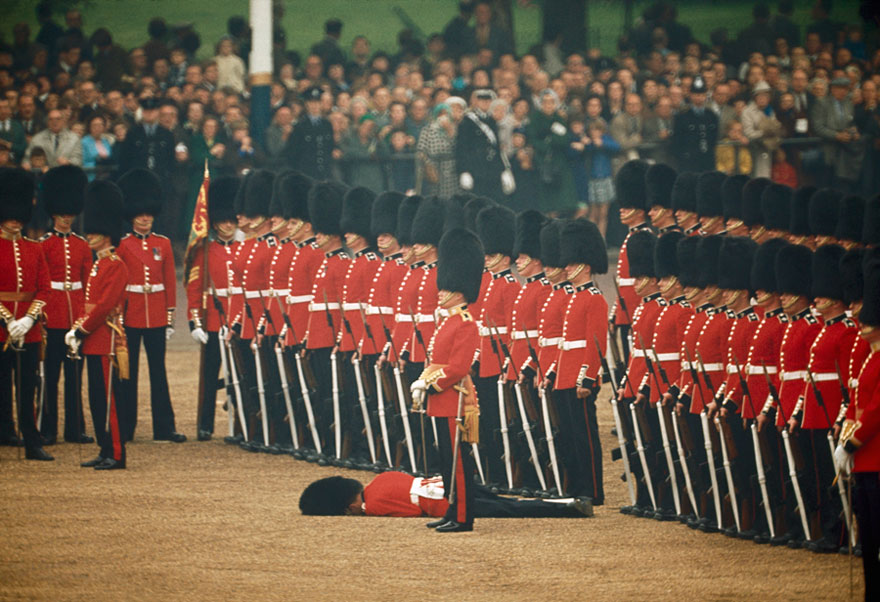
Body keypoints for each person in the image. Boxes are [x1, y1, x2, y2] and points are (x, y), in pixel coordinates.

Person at [410, 226, 484, 532]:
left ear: (459, 289)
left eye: (445, 288)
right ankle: (452, 510)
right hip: (441, 400)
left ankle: (464, 517)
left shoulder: (466, 324)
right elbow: (436, 361)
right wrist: (422, 382)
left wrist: (428, 383)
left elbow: (457, 367)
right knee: (446, 462)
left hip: (454, 400)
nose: (439, 292)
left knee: (459, 464)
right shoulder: (448, 322)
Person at [116, 168, 185, 443]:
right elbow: (119, 284)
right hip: (131, 314)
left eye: (148, 213)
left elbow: (169, 282)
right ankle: (126, 426)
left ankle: (164, 428)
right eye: (140, 213)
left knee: (159, 373)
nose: (145, 218)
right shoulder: (122, 245)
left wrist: (169, 318)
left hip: (156, 314)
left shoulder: (164, 244)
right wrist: (118, 317)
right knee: (127, 373)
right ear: (132, 214)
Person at [66, 180, 128, 470]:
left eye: (94, 232)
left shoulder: (115, 265)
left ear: (106, 234)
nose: (89, 235)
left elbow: (104, 306)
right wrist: (76, 329)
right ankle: (104, 449)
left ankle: (116, 452)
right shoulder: (97, 265)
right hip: (92, 338)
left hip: (105, 340)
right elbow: (87, 303)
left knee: (108, 401)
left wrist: (81, 329)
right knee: (96, 399)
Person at [0, 168, 53, 460]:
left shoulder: (34, 249)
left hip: (28, 328)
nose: (14, 220)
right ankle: (5, 431)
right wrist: (8, 320)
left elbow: (44, 289)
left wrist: (28, 319)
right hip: (1, 328)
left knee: (27, 386)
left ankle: (32, 440)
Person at [37, 165, 93, 445]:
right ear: (53, 214)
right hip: (53, 316)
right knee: (51, 378)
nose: (66, 219)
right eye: (62, 214)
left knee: (74, 378)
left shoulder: (83, 245)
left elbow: (87, 284)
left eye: (70, 214)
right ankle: (48, 429)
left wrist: (84, 318)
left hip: (75, 318)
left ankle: (75, 429)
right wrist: (42, 315)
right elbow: (43, 285)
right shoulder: (43, 245)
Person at [837, 246, 880, 601]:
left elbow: (878, 410)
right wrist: (845, 440)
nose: (861, 324)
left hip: (876, 457)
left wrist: (852, 444)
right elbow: (858, 401)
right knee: (868, 534)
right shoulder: (871, 357)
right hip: (866, 458)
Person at [185, 175, 240, 441]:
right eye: (223, 221)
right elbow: (195, 288)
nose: (228, 226)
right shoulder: (205, 250)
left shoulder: (244, 249)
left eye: (232, 221)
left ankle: (241, 424)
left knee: (241, 375)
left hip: (238, 321)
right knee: (209, 376)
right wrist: (194, 322)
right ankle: (205, 424)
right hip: (214, 321)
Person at [299, 471, 594, 518]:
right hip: (455, 485)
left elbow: (414, 512)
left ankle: (568, 508)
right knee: (511, 503)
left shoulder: (373, 505)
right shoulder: (381, 479)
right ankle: (567, 502)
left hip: (449, 504)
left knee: (513, 509)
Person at [456, 89, 514, 201]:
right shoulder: (467, 121)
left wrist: (503, 170)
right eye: (482, 101)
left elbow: (496, 147)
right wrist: (464, 171)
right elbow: (462, 147)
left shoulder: (492, 121)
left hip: (492, 170)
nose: (485, 103)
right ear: (477, 102)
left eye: (488, 101)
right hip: (475, 169)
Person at [526, 89, 576, 214]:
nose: (548, 105)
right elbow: (534, 141)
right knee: (545, 204)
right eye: (545, 102)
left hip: (559, 165)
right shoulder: (535, 119)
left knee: (560, 204)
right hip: (542, 164)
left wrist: (550, 140)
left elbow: (564, 140)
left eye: (551, 102)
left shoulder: (559, 119)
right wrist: (549, 143)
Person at [282, 87, 337, 181]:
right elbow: (292, 153)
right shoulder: (300, 126)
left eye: (317, 102)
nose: (314, 106)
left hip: (324, 173)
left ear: (321, 104)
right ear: (306, 104)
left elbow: (330, 146)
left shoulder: (327, 125)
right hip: (305, 174)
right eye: (311, 102)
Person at [671, 76, 718, 172]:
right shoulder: (682, 116)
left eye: (701, 94)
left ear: (705, 95)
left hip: (707, 161)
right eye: (696, 94)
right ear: (691, 95)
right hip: (688, 162)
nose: (699, 97)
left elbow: (714, 138)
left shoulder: (711, 116)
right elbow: (677, 141)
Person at [80, 114, 115, 178]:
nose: (97, 128)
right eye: (94, 125)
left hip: (107, 177)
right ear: (89, 127)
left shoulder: (106, 142)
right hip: (90, 176)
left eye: (100, 125)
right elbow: (81, 162)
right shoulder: (84, 142)